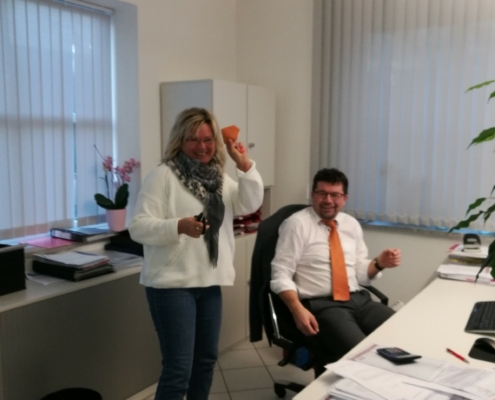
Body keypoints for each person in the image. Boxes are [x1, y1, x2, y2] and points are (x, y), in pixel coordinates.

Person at [129, 108, 263, 400]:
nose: (202, 146)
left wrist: (243, 164)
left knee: (205, 362)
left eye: (208, 139)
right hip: (172, 286)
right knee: (178, 370)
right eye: (193, 139)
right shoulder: (162, 176)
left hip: (209, 283)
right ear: (180, 140)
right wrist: (178, 226)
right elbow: (137, 227)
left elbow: (248, 203)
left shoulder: (218, 178)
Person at [270, 168, 401, 360]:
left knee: (401, 333)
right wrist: (297, 310)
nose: (328, 200)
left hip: (359, 300)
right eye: (322, 193)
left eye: (335, 195)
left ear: (344, 198)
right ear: (313, 195)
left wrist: (379, 263)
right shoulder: (296, 224)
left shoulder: (351, 224)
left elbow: (359, 273)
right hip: (323, 305)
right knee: (362, 356)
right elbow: (281, 273)